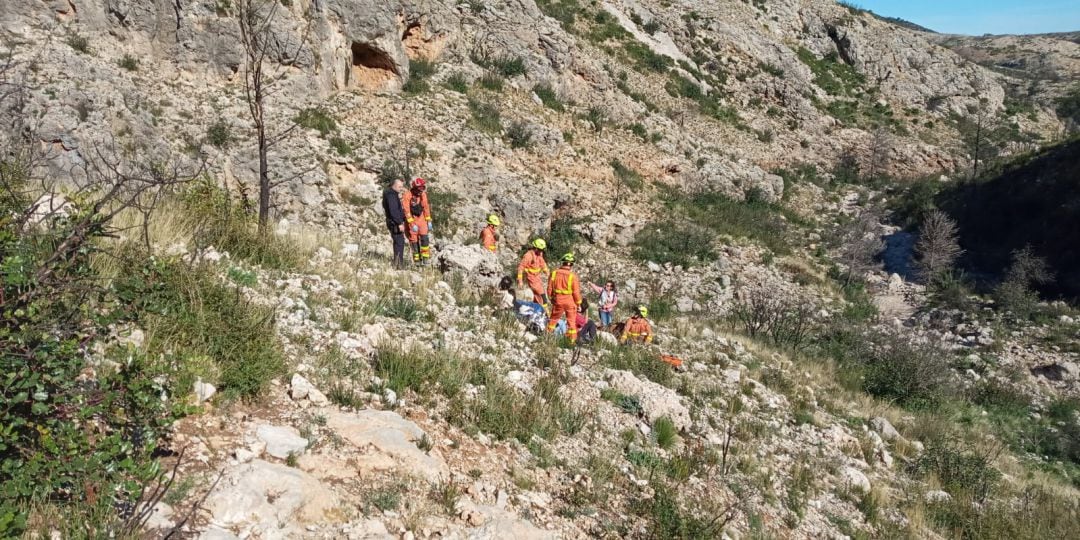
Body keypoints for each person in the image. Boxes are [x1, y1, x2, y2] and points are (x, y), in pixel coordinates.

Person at [546, 252, 582, 343]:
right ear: (571, 264)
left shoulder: (554, 273)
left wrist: (551, 298)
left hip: (558, 300)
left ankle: (547, 336)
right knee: (571, 322)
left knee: (553, 319)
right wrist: (579, 304)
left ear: (563, 262)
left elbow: (549, 288)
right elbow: (576, 292)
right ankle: (572, 341)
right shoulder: (573, 276)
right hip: (570, 302)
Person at [402, 177, 432, 265]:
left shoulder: (422, 194)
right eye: (419, 189)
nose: (421, 191)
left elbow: (426, 207)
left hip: (422, 219)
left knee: (425, 239)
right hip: (412, 221)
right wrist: (411, 223)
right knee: (414, 241)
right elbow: (406, 210)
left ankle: (425, 259)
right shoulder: (407, 195)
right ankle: (417, 261)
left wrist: (429, 220)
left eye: (423, 188)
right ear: (414, 188)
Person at [381, 178, 406, 268]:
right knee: (399, 242)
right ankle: (399, 264)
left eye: (402, 187)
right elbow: (393, 210)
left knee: (398, 241)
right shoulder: (391, 195)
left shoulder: (389, 193)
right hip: (394, 222)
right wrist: (399, 223)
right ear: (394, 185)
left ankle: (397, 263)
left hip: (392, 221)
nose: (401, 189)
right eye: (399, 187)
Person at [517, 239, 550, 308]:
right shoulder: (528, 256)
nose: (541, 251)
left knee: (537, 296)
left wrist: (547, 272)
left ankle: (535, 309)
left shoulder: (539, 254)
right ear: (535, 248)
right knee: (542, 297)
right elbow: (520, 268)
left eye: (542, 250)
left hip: (537, 278)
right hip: (531, 278)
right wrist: (520, 281)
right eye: (540, 250)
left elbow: (542, 263)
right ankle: (545, 312)